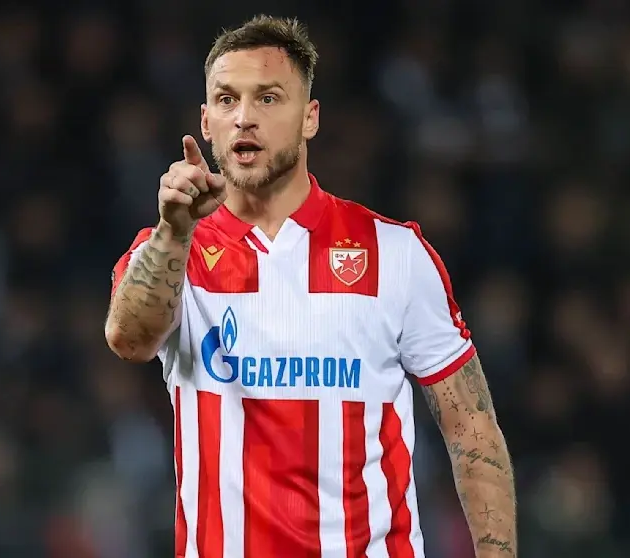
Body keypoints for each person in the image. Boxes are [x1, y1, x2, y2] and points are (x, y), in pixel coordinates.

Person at [105, 14, 517, 558]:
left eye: (268, 98)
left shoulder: (395, 254)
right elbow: (129, 341)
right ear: (205, 121)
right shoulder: (170, 252)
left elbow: (472, 428)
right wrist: (172, 233)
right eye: (227, 100)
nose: (244, 118)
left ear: (309, 118)